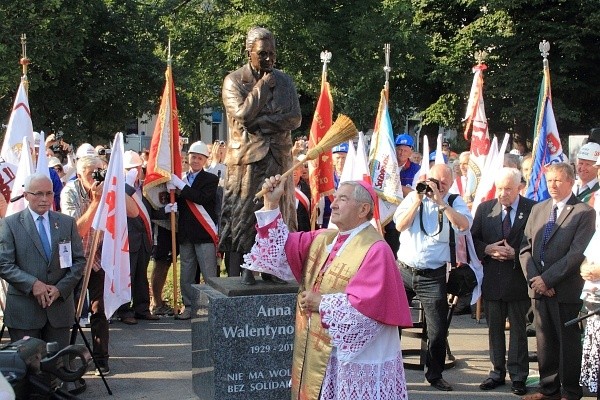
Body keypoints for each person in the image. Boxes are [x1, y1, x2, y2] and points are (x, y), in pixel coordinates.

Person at [242, 175, 412, 399]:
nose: (333, 204)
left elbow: (370, 306)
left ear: (363, 209)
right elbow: (281, 250)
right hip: (320, 348)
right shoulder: (325, 239)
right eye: (335, 198)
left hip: (357, 354)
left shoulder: (376, 249)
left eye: (342, 199)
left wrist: (322, 302)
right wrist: (271, 204)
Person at [219, 26, 301, 284]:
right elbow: (242, 115)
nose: (269, 59)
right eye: (263, 54)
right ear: (249, 53)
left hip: (278, 156)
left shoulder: (285, 81)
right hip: (247, 160)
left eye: (272, 54)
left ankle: (271, 266)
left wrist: (261, 122)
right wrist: (263, 87)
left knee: (278, 213)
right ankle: (245, 267)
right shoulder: (234, 80)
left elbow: (294, 118)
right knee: (246, 212)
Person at [519, 162, 595, 400]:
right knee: (544, 341)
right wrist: (535, 280)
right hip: (539, 290)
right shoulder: (538, 209)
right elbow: (525, 248)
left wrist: (549, 280)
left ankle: (570, 391)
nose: (552, 185)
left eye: (558, 180)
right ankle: (548, 388)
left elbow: (576, 253)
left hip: (565, 289)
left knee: (568, 343)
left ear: (571, 182)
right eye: (549, 180)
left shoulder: (583, 212)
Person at [394, 163, 472, 391]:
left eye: (443, 184)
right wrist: (418, 199)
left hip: (433, 275)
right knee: (393, 323)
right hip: (405, 270)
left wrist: (441, 202)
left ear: (450, 184)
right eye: (434, 181)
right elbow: (400, 225)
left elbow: (464, 226)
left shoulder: (454, 202)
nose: (436, 186)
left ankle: (435, 374)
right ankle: (392, 370)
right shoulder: (414, 198)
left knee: (437, 329)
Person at [61, 155, 136, 375]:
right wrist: (95, 201)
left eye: (99, 171)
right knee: (67, 310)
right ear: (79, 173)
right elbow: (75, 231)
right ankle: (65, 357)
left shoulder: (108, 187)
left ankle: (101, 359)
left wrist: (115, 186)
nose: (95, 177)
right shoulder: (70, 191)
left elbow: (133, 212)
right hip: (73, 258)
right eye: (90, 172)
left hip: (99, 256)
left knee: (99, 309)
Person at [0, 173, 85, 351]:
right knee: (28, 369)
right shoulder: (10, 224)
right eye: (38, 194)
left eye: (48, 193)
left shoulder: (66, 223)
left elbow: (78, 262)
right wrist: (33, 285)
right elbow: (4, 264)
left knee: (57, 367)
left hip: (59, 310)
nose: (44, 199)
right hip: (24, 312)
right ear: (26, 196)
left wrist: (60, 288)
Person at [471, 168, 535, 396]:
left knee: (518, 330)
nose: (502, 193)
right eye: (499, 188)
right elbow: (473, 239)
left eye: (508, 188)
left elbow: (536, 244)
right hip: (492, 280)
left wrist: (515, 253)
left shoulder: (532, 209)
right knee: (494, 329)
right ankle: (496, 372)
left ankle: (518, 376)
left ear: (519, 187)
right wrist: (487, 249)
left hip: (518, 280)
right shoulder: (485, 208)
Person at [168, 141, 219, 320]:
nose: (196, 160)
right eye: (193, 157)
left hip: (204, 233)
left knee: (209, 273)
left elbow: (201, 198)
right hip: (186, 232)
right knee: (187, 273)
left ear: (205, 160)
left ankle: (214, 307)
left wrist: (181, 188)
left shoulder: (211, 179)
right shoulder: (180, 178)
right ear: (188, 157)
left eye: (199, 158)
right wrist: (171, 201)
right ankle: (189, 306)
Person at [116, 150, 159, 324]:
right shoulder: (121, 189)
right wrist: (127, 183)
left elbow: (152, 209)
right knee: (128, 275)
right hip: (128, 238)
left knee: (141, 274)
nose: (134, 172)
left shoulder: (144, 188)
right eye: (130, 169)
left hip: (143, 238)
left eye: (137, 169)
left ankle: (142, 308)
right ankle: (125, 310)